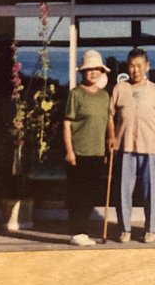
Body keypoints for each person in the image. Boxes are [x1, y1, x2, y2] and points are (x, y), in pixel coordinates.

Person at [108, 47, 155, 243]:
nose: (135, 70)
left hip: (150, 146)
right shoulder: (119, 88)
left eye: (139, 66)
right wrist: (111, 137)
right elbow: (110, 116)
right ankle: (125, 229)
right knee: (124, 189)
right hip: (124, 147)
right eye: (132, 66)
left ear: (147, 67)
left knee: (151, 191)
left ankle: (151, 229)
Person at [62, 50, 112, 246]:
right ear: (83, 72)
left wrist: (111, 138)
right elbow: (67, 123)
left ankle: (84, 231)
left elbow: (108, 120)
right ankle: (77, 232)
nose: (93, 73)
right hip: (79, 152)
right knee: (77, 193)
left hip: (97, 152)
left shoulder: (105, 95)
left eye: (96, 69)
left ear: (101, 71)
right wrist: (69, 151)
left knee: (91, 193)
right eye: (89, 69)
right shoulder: (76, 94)